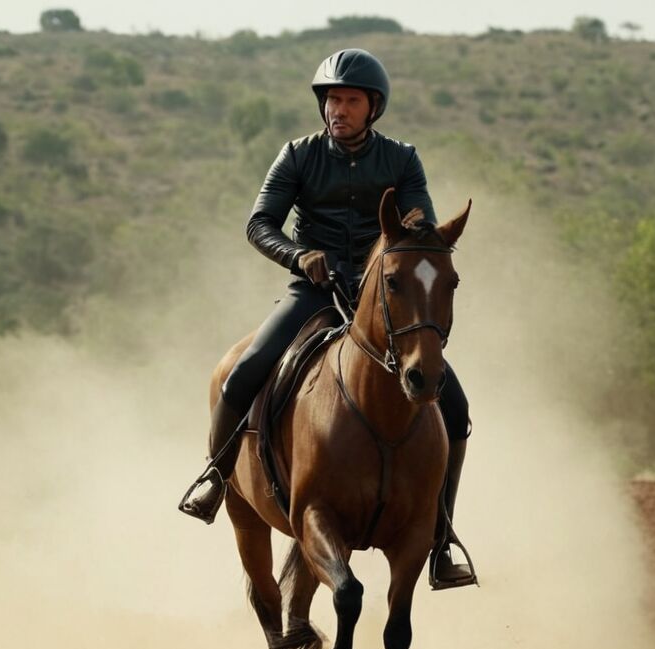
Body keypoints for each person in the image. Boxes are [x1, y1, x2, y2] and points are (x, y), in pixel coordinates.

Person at [180, 48, 475, 590]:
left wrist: (399, 253)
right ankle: (216, 478)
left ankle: (442, 534)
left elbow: (421, 228)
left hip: (382, 298)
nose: (338, 109)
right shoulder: (297, 155)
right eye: (332, 99)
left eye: (350, 100)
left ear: (373, 108)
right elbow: (259, 223)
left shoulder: (402, 159)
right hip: (312, 291)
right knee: (243, 373)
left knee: (453, 405)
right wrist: (299, 255)